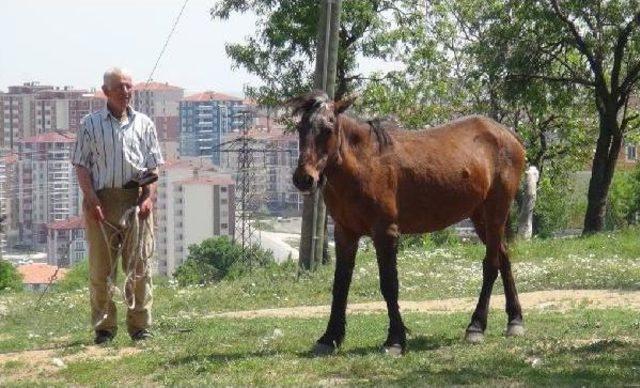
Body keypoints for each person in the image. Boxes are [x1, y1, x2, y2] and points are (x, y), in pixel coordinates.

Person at [71, 67, 164, 344]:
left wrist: (148, 197)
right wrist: (91, 199)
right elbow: (81, 165)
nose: (125, 92)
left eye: (129, 86)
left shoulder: (144, 124)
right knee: (102, 270)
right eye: (120, 87)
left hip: (136, 201)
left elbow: (153, 166)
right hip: (102, 201)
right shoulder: (90, 124)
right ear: (106, 92)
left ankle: (140, 327)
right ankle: (104, 328)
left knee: (139, 267)